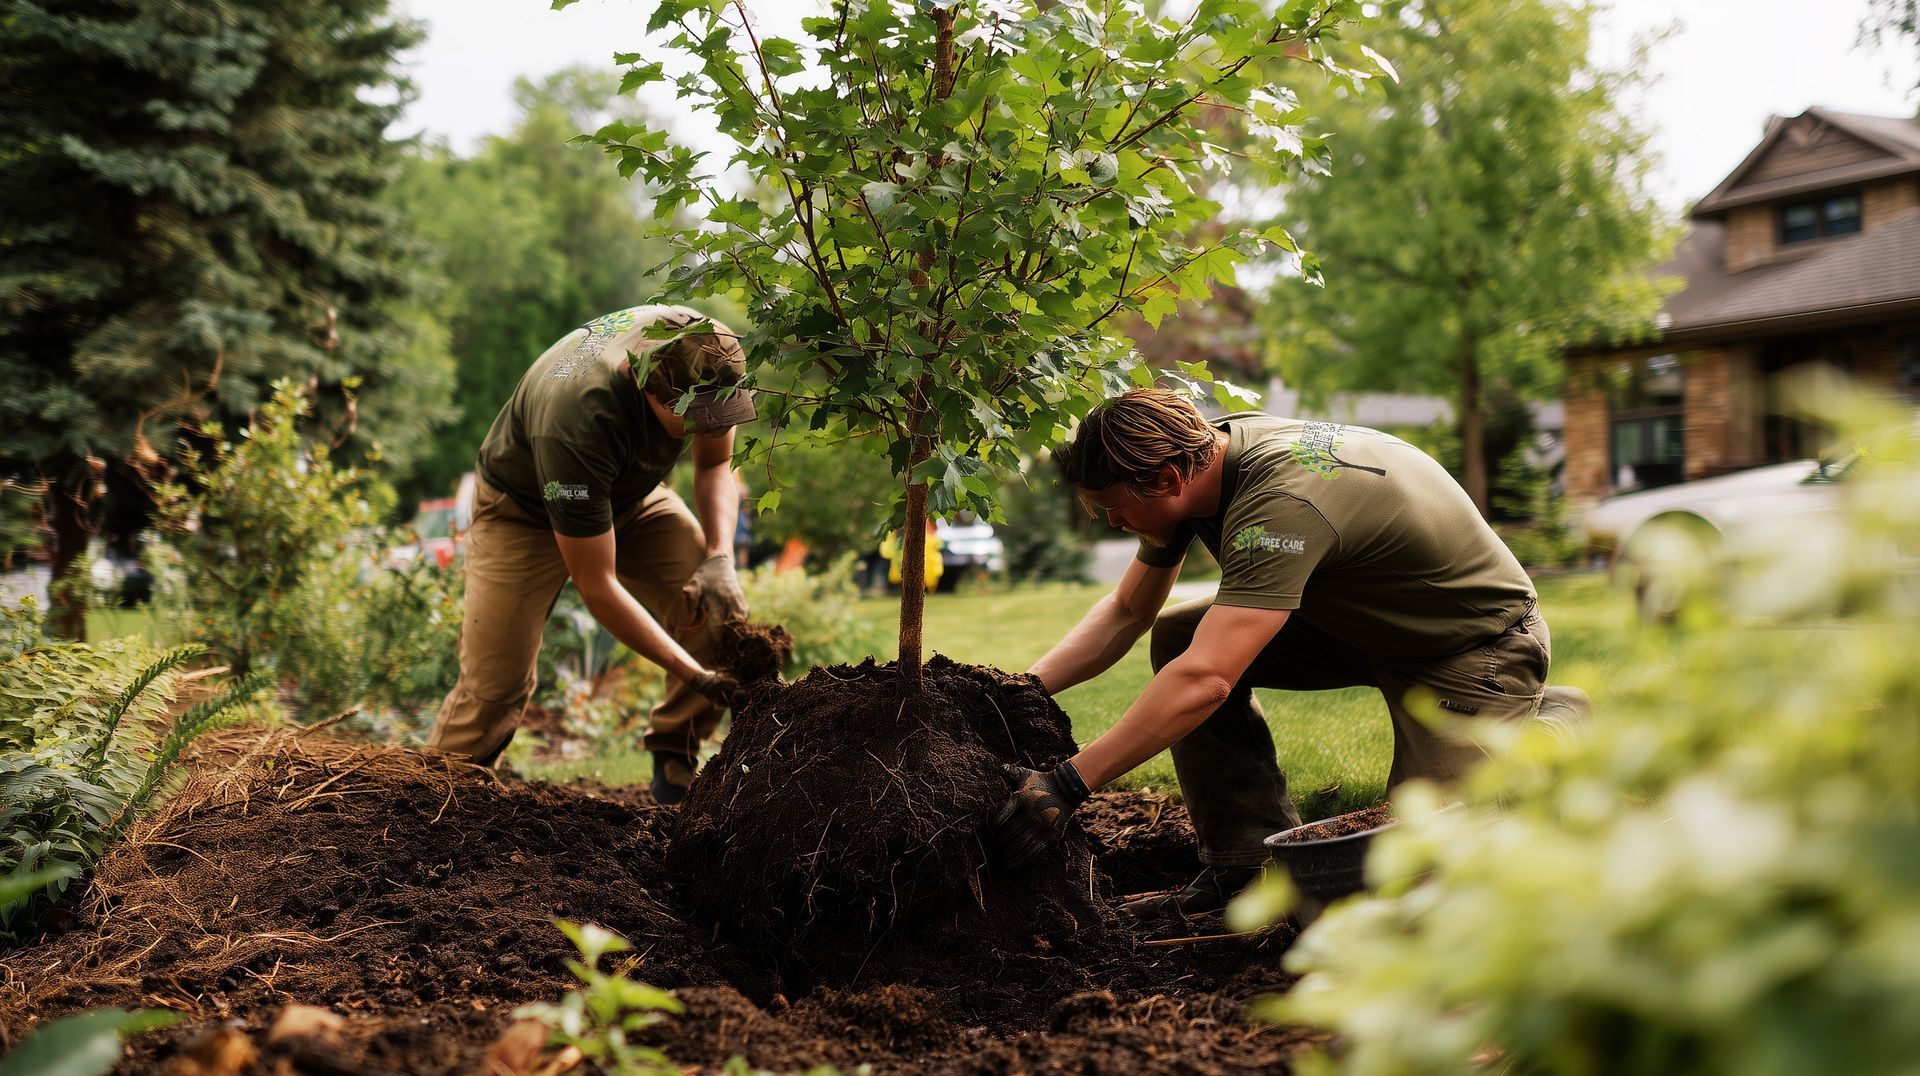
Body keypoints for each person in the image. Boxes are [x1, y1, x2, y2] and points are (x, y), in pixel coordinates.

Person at [990, 388, 1573, 917]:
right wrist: (1014, 692)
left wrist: (1068, 784)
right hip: (1356, 622)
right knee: (1180, 634)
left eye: (1113, 508)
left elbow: (1207, 679)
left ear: (1167, 479)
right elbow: (1127, 611)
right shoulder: (1204, 456)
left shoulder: (1279, 504)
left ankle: (1552, 727)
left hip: (1472, 648)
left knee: (1416, 877)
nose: (1114, 523)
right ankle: (1244, 864)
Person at [426, 304, 756, 805]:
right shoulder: (577, 417)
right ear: (647, 388)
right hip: (524, 511)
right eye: (696, 418)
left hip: (629, 494)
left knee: (710, 606)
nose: (709, 426)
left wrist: (720, 557)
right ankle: (428, 800)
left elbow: (716, 462)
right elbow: (597, 586)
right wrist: (696, 675)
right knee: (495, 684)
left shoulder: (707, 353)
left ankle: (675, 763)